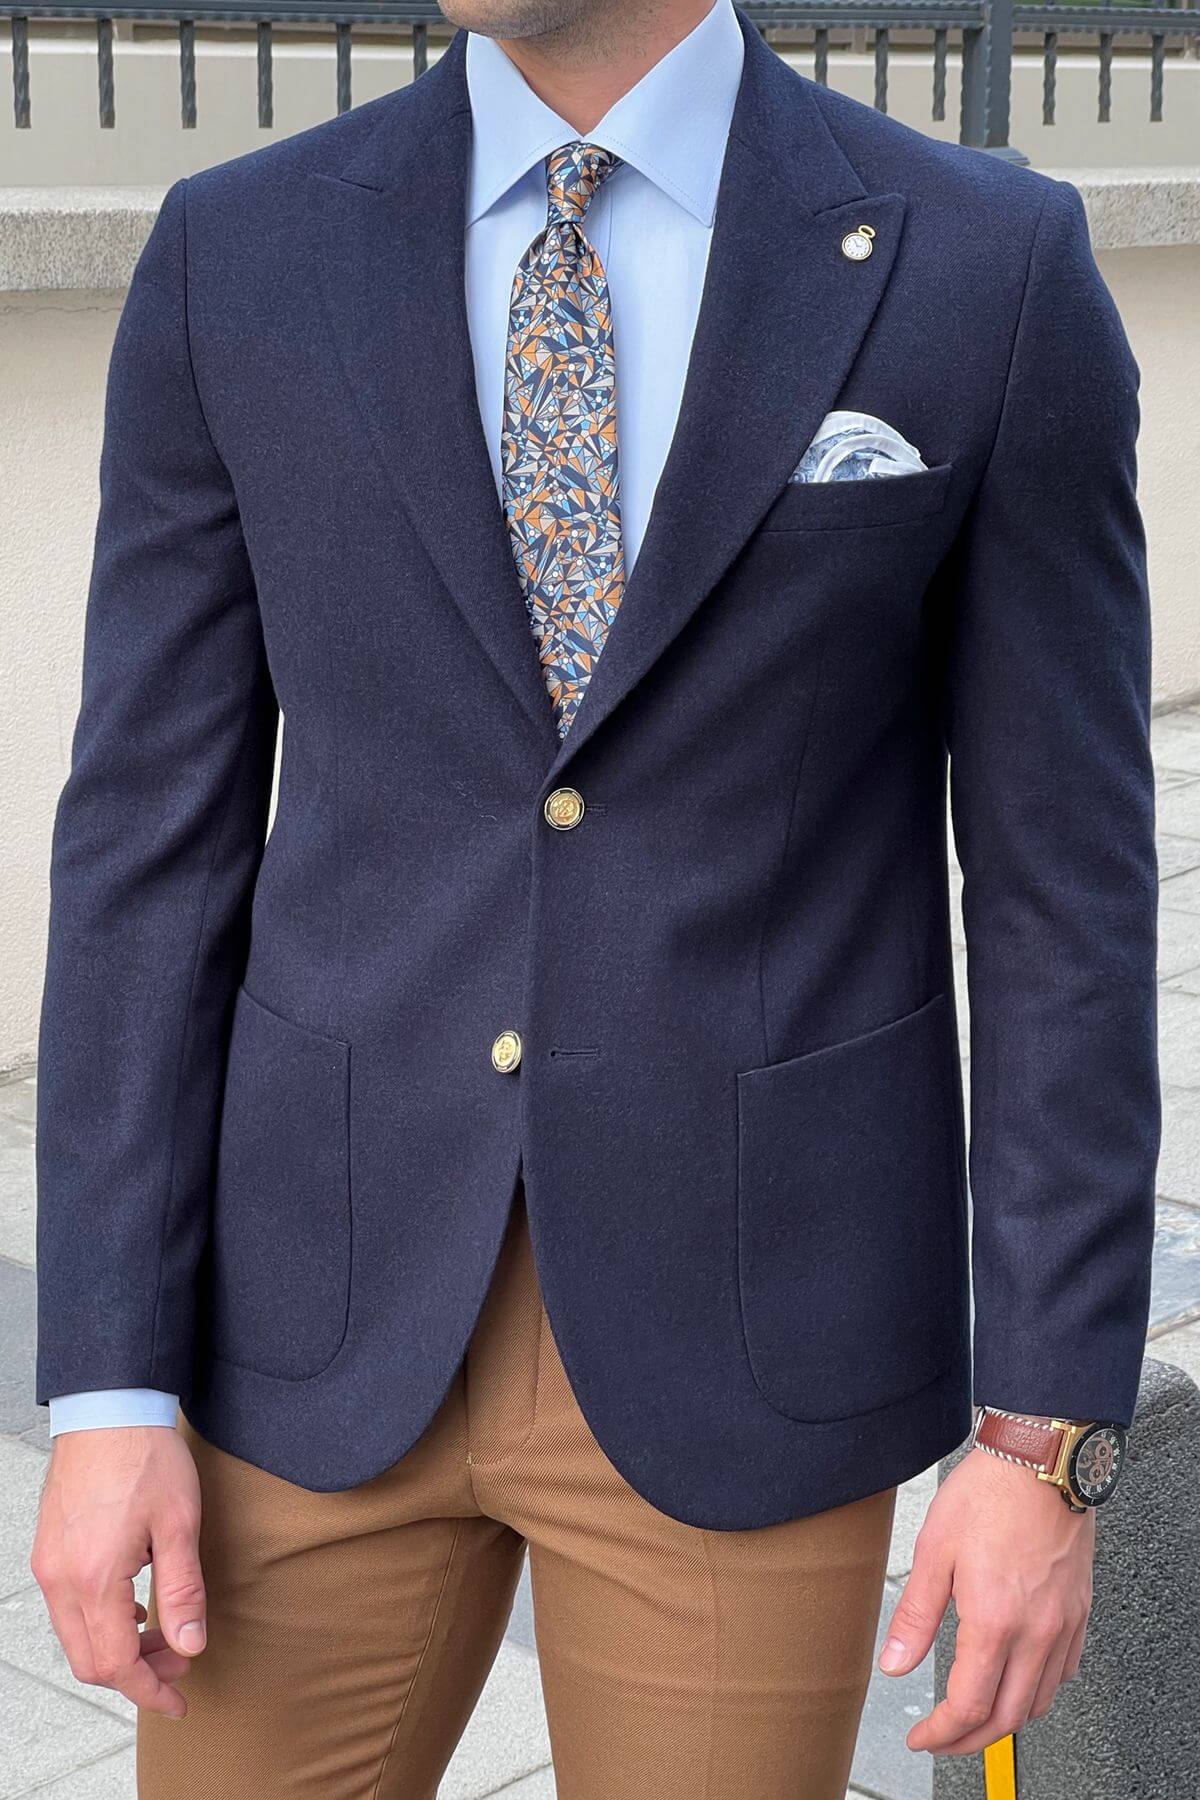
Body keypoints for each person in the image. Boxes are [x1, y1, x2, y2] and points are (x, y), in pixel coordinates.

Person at [30, 0, 1159, 1794]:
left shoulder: (984, 268)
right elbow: (141, 860)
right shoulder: (236, 254)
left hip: (752, 1326)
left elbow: (1066, 907)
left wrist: (1043, 1442)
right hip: (307, 1322)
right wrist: (102, 1391)